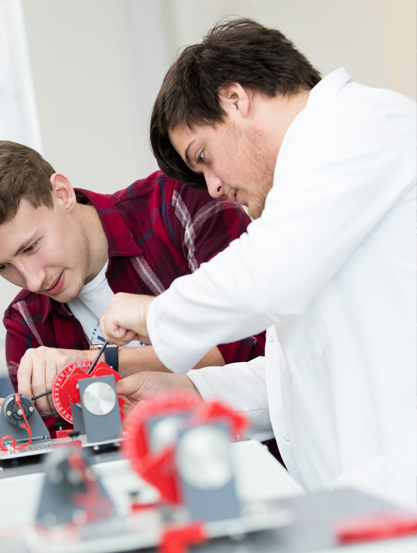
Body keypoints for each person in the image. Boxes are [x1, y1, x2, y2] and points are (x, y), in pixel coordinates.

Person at [100, 19, 416, 505]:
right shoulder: (311, 187)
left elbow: (270, 275)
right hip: (370, 503)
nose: (213, 188)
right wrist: (190, 391)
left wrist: (153, 314)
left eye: (203, 155)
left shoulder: (357, 123)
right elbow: (301, 372)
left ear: (235, 99)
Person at [0, 140, 265, 444]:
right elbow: (66, 459)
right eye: (2, 268)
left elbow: (252, 345)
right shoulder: (26, 322)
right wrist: (16, 433)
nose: (33, 281)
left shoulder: (178, 204)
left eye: (32, 247)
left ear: (62, 194)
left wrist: (94, 364)